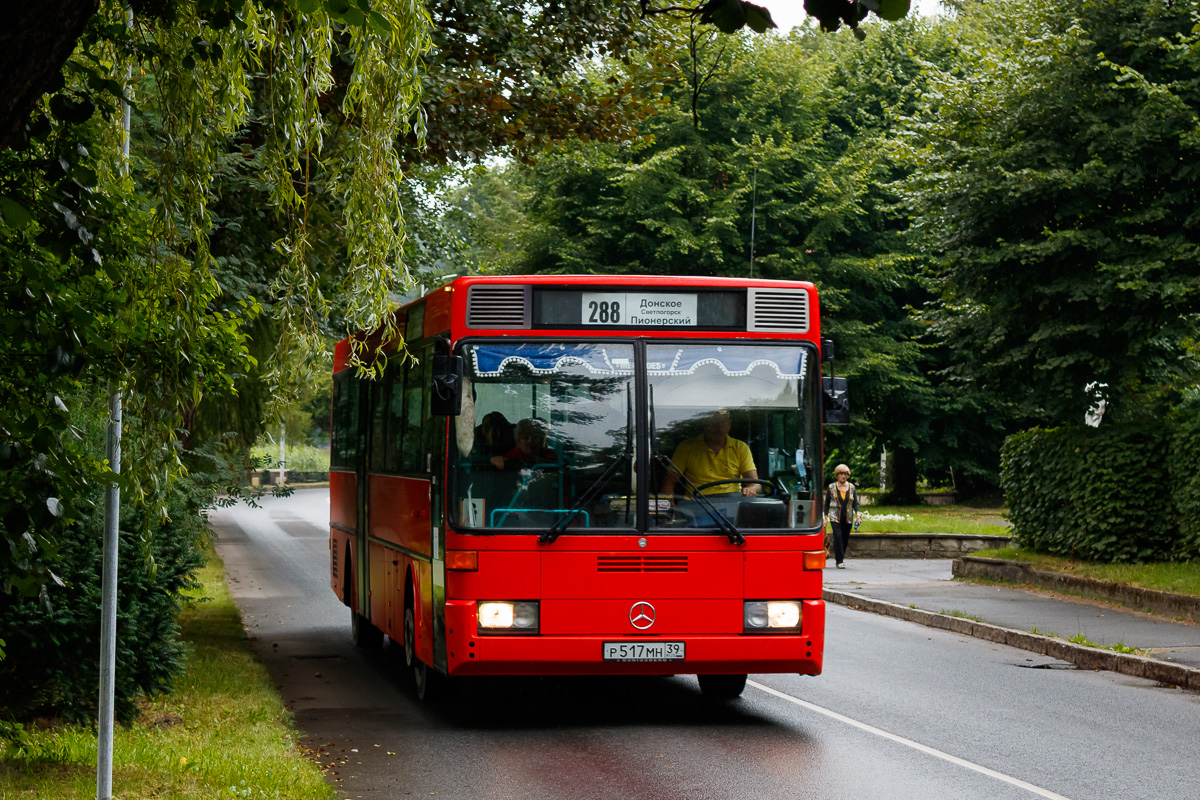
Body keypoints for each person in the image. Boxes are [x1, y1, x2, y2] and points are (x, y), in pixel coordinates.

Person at [659, 408, 759, 498]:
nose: (719, 427)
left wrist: (751, 489)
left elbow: (756, 484)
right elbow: (669, 482)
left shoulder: (740, 448)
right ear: (706, 424)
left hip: (732, 506)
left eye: (723, 422)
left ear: (729, 425)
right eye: (715, 422)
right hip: (697, 509)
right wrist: (670, 510)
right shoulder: (687, 447)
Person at [824, 463, 860, 568]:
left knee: (845, 539)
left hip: (848, 517)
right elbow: (826, 504)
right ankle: (839, 561)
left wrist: (858, 515)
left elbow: (856, 503)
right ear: (837, 475)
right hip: (835, 517)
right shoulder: (831, 487)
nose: (843, 476)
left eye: (845, 474)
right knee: (838, 536)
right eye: (841, 474)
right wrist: (825, 518)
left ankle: (841, 556)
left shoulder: (852, 487)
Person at [491, 418, 556, 470]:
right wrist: (497, 460)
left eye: (534, 437)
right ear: (518, 440)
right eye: (525, 437)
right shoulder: (512, 456)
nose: (530, 441)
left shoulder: (550, 456)